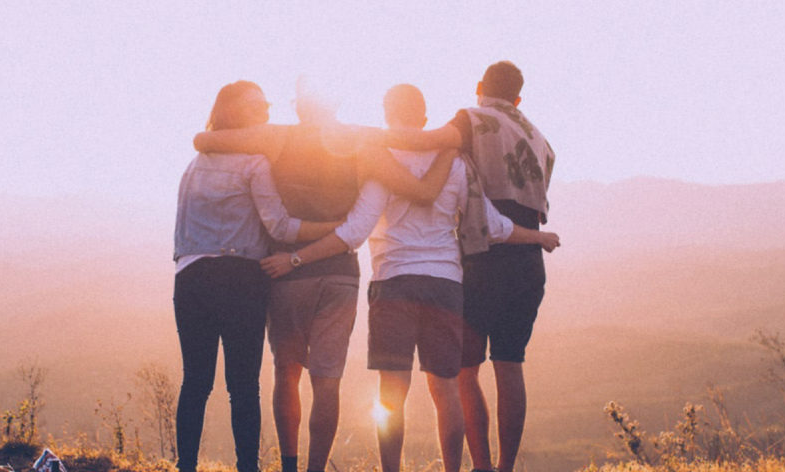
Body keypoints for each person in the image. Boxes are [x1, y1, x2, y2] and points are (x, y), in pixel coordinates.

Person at [261, 84, 560, 472]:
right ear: (423, 117)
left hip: (393, 283)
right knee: (446, 388)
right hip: (445, 284)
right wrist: (537, 236)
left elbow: (354, 232)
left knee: (391, 392)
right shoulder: (454, 162)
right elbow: (492, 225)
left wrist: (297, 258)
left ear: (388, 115)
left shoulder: (381, 162)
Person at [193, 79, 455, 472]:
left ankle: (289, 466)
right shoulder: (362, 141)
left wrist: (206, 134)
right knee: (327, 381)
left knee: (287, 371)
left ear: (299, 106)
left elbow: (205, 142)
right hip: (340, 275)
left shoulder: (275, 137)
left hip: (285, 273)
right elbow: (419, 180)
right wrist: (453, 141)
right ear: (335, 102)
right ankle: (316, 467)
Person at [382, 62, 556, 472]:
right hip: (527, 259)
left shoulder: (471, 120)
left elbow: (425, 141)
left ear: (480, 87)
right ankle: (505, 467)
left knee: (463, 369)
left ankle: (479, 467)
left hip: (483, 258)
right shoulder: (540, 139)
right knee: (511, 364)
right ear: (518, 97)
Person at [172, 81, 341, 472]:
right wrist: (332, 227)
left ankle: (186, 467)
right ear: (233, 112)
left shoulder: (193, 165)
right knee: (243, 385)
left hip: (191, 276)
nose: (265, 111)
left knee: (195, 381)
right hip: (240, 278)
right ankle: (247, 466)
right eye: (256, 106)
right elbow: (280, 227)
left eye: (266, 104)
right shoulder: (254, 163)